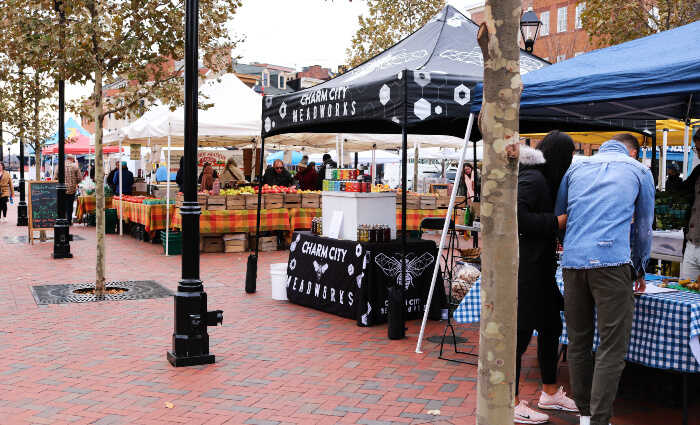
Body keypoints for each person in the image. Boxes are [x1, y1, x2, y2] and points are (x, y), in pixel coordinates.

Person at [554, 133, 654, 425]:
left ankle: (586, 417)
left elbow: (561, 216)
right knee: (611, 346)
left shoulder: (575, 168)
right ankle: (599, 421)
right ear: (633, 153)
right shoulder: (639, 170)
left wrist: (572, 246)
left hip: (573, 263)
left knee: (579, 342)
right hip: (612, 263)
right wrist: (639, 267)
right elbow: (644, 227)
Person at [513, 131, 577, 424]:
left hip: (539, 267)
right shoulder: (535, 178)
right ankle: (509, 401)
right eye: (571, 155)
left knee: (552, 326)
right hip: (527, 268)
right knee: (521, 333)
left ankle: (550, 392)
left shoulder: (537, 176)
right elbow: (515, 214)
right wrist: (555, 222)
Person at [678, 129, 700, 279]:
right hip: (692, 244)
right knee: (685, 293)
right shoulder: (699, 170)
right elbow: (681, 190)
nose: (698, 154)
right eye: (697, 149)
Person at [53, 154, 83, 225]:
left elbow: (55, 177)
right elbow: (80, 178)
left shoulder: (60, 166)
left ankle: (62, 219)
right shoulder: (75, 166)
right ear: (72, 159)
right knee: (70, 205)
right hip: (71, 189)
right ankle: (69, 220)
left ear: (67, 158)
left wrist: (59, 183)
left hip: (61, 190)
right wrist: (75, 183)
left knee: (62, 205)